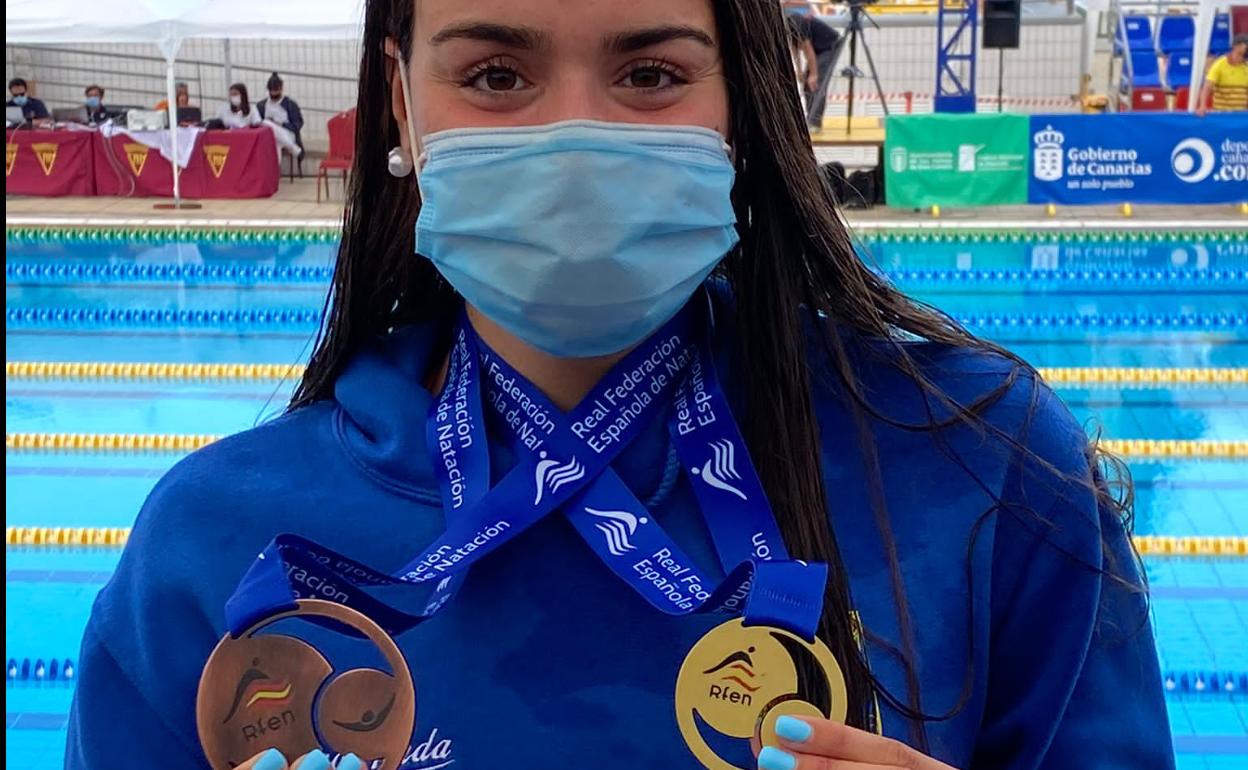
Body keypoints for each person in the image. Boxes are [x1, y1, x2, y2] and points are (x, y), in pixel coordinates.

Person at [66, 2, 1174, 770]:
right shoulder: (218, 538)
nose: (575, 140)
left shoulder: (981, 460)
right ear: (400, 104)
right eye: (496, 75)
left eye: (651, 74)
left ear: (744, 103)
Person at [786, 7, 841, 130]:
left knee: (815, 83)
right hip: (817, 49)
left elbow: (808, 51)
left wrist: (814, 75)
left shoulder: (796, 22)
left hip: (829, 46)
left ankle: (815, 123)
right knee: (807, 82)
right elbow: (794, 48)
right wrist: (799, 71)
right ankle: (810, 118)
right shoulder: (785, 27)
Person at [257, 72, 306, 164]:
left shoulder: (290, 104)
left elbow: (297, 125)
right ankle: (292, 149)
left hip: (288, 133)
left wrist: (279, 124)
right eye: (272, 90)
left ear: (281, 89)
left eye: (276, 90)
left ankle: (290, 145)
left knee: (267, 123)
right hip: (268, 136)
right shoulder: (262, 105)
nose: (274, 93)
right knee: (274, 141)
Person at [1198, 33, 1248, 115]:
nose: (1241, 58)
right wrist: (1202, 106)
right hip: (1222, 114)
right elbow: (1207, 87)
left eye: (1244, 56)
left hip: (1240, 115)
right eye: (1239, 54)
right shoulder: (1219, 64)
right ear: (1235, 47)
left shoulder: (1246, 66)